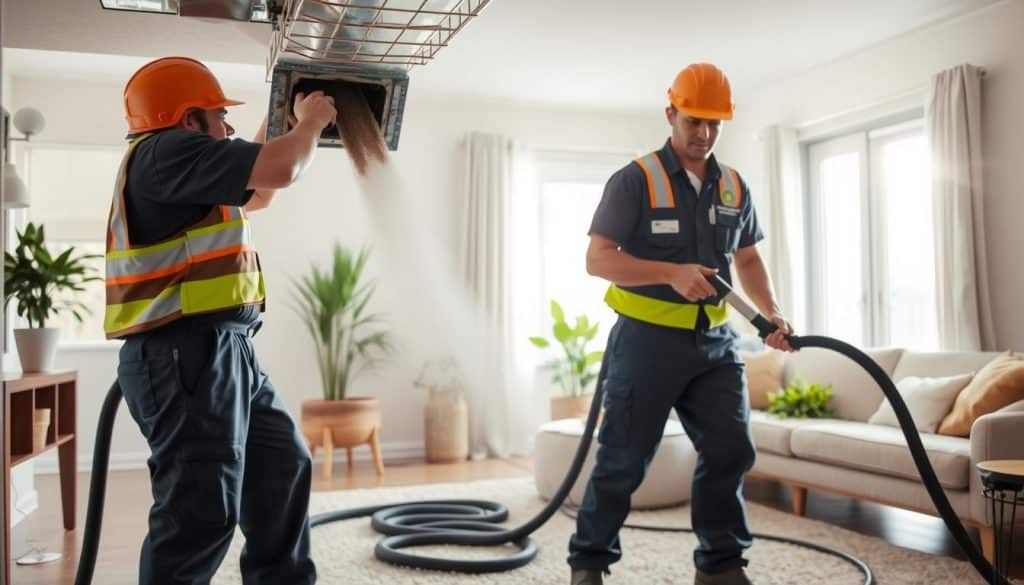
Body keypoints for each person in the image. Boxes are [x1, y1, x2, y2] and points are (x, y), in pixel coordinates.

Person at [105, 56, 337, 585]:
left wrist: (285, 119)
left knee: (282, 467)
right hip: (184, 355)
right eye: (218, 114)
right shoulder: (166, 152)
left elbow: (260, 191)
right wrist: (313, 122)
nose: (228, 127)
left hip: (224, 352)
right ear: (189, 119)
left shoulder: (179, 165)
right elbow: (283, 168)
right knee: (201, 513)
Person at [567, 63, 795, 585]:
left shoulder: (734, 186)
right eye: (694, 121)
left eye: (715, 124)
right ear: (670, 113)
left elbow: (750, 260)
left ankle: (720, 566)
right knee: (624, 461)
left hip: (716, 346)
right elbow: (598, 259)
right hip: (646, 345)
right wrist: (669, 273)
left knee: (732, 449)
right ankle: (589, 566)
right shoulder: (635, 180)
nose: (705, 134)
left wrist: (771, 314)